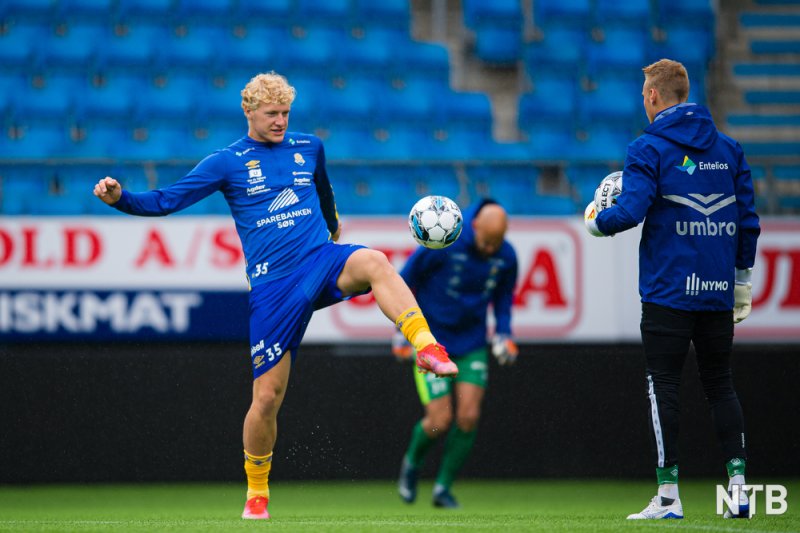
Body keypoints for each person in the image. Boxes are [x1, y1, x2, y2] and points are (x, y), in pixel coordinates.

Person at [92, 71, 459, 520]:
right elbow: (166, 200)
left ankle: (427, 346)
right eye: (272, 114)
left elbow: (324, 192)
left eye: (286, 113)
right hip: (272, 286)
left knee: (376, 262)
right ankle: (257, 492)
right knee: (267, 398)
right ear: (248, 112)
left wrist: (332, 226)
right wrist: (120, 198)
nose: (281, 121)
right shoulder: (226, 162)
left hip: (319, 260)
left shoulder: (310, 147)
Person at [584, 59, 761, 520]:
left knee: (663, 386)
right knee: (721, 385)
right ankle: (739, 492)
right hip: (718, 290)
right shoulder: (729, 149)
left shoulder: (647, 148)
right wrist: (741, 282)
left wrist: (596, 223)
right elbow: (747, 220)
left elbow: (630, 211)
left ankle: (668, 497)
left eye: (645, 93)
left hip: (668, 292)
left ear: (653, 97)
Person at [394, 199, 519, 508]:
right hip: (431, 343)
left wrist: (504, 334)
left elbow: (503, 300)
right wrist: (401, 332)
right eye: (487, 241)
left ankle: (442, 488)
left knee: (468, 417)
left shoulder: (507, 256)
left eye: (497, 242)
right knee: (439, 419)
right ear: (474, 226)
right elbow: (401, 281)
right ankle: (411, 464)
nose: (491, 249)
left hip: (472, 342)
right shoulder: (444, 241)